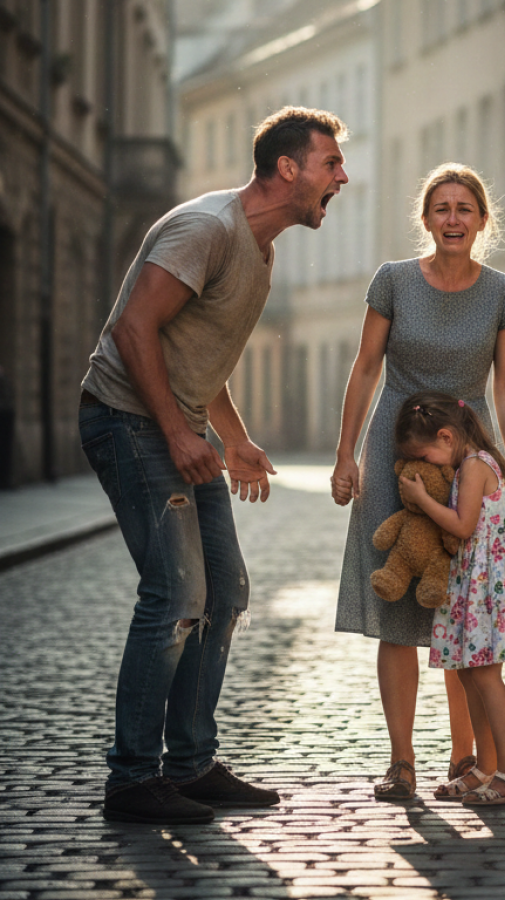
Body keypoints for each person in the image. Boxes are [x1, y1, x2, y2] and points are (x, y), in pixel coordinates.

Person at [80, 107, 350, 825]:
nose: (342, 177)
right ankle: (133, 779)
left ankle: (191, 764)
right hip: (126, 421)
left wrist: (233, 437)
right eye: (331, 164)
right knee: (175, 597)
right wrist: (177, 432)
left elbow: (201, 356)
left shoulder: (261, 250)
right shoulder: (208, 230)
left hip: (176, 426)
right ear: (288, 169)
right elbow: (133, 327)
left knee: (225, 593)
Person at [331, 163, 505, 803]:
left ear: (481, 220)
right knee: (397, 608)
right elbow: (365, 368)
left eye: (464, 209)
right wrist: (345, 455)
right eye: (441, 208)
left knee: (460, 606)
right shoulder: (391, 282)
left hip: (466, 453)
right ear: (426, 218)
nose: (452, 219)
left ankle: (465, 757)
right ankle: (402, 762)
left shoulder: (503, 292)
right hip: (395, 449)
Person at [392, 390, 505, 804]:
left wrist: (424, 500)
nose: (425, 466)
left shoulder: (478, 466)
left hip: (489, 585)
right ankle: (484, 766)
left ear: (446, 437)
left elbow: (463, 526)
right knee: (467, 672)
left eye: (425, 457)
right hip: (472, 582)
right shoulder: (466, 464)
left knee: (486, 676)